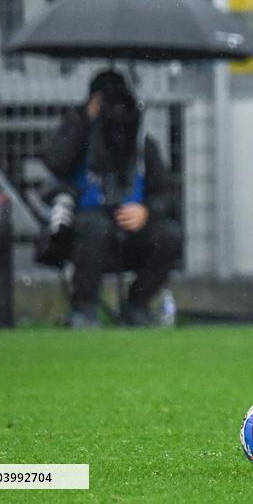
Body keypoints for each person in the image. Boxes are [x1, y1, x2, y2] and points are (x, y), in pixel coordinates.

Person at [43, 70, 183, 328]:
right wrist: (84, 121)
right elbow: (55, 163)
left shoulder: (141, 145)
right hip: (85, 232)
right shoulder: (78, 137)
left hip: (131, 230)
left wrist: (146, 212)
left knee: (169, 234)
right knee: (95, 227)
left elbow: (166, 193)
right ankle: (83, 309)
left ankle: (137, 306)